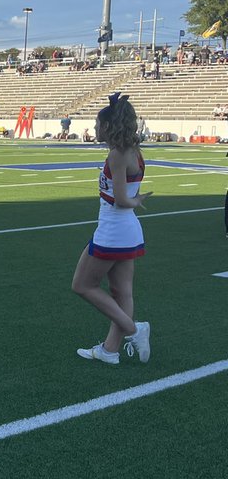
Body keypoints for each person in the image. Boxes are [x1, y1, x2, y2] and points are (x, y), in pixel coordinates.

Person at [70, 93, 152, 365]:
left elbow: (121, 198)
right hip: (126, 231)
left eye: (97, 124)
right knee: (121, 292)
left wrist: (135, 200)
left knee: (82, 285)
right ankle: (109, 350)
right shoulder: (134, 151)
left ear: (107, 126)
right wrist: (133, 200)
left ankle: (133, 329)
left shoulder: (117, 154)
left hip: (113, 230)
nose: (94, 129)